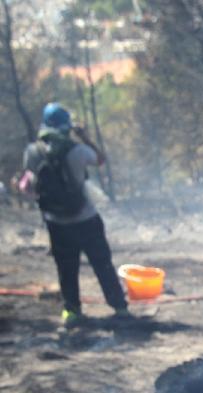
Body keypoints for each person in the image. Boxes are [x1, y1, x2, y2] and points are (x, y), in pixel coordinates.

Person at [20, 102, 129, 327]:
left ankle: (72, 311)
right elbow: (100, 160)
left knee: (66, 268)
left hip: (56, 223)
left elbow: (29, 187)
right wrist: (85, 137)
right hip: (85, 218)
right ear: (66, 126)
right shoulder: (78, 150)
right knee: (102, 263)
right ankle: (119, 307)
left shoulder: (33, 152)